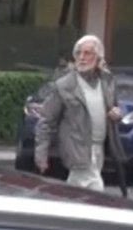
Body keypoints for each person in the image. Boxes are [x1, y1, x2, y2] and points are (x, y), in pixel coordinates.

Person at [35, 34, 125, 192]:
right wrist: (41, 153)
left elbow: (111, 109)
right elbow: (46, 120)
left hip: (99, 148)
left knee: (78, 192)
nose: (82, 58)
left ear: (98, 57)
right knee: (95, 188)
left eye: (87, 53)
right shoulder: (65, 86)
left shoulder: (106, 81)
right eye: (78, 53)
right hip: (77, 148)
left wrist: (115, 114)